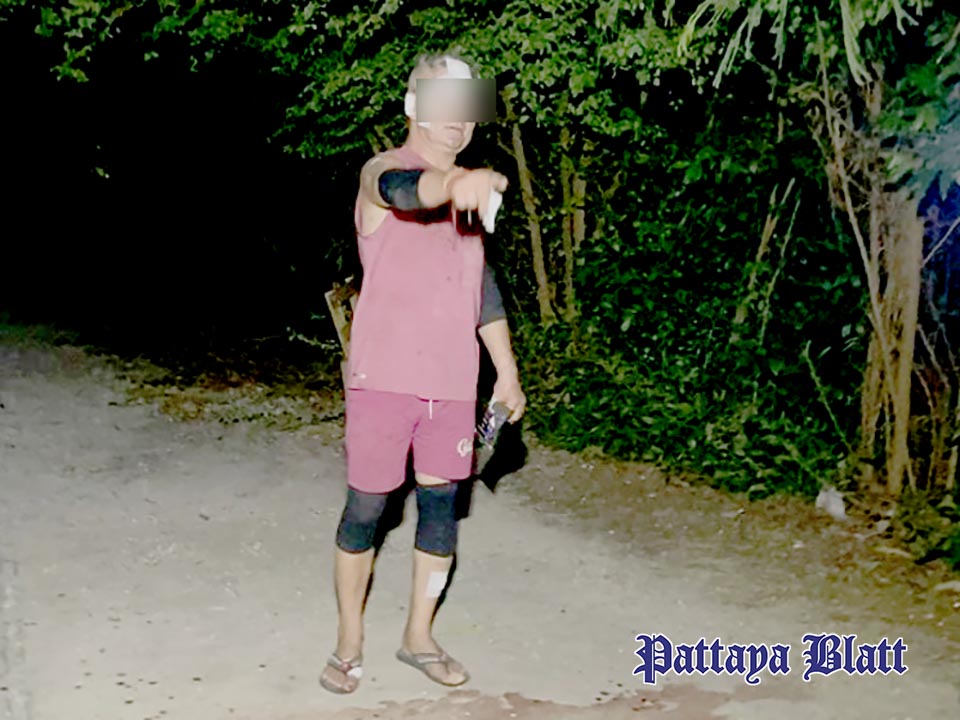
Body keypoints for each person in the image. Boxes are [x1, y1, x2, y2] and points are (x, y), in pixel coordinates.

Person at [319, 53, 527, 694]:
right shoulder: (381, 170)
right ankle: (348, 640)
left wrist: (507, 372)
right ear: (414, 107)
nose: (457, 120)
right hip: (383, 379)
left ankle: (418, 637)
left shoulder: (470, 196)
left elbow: (481, 288)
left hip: (453, 384)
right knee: (367, 509)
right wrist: (453, 185)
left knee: (441, 513)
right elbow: (406, 191)